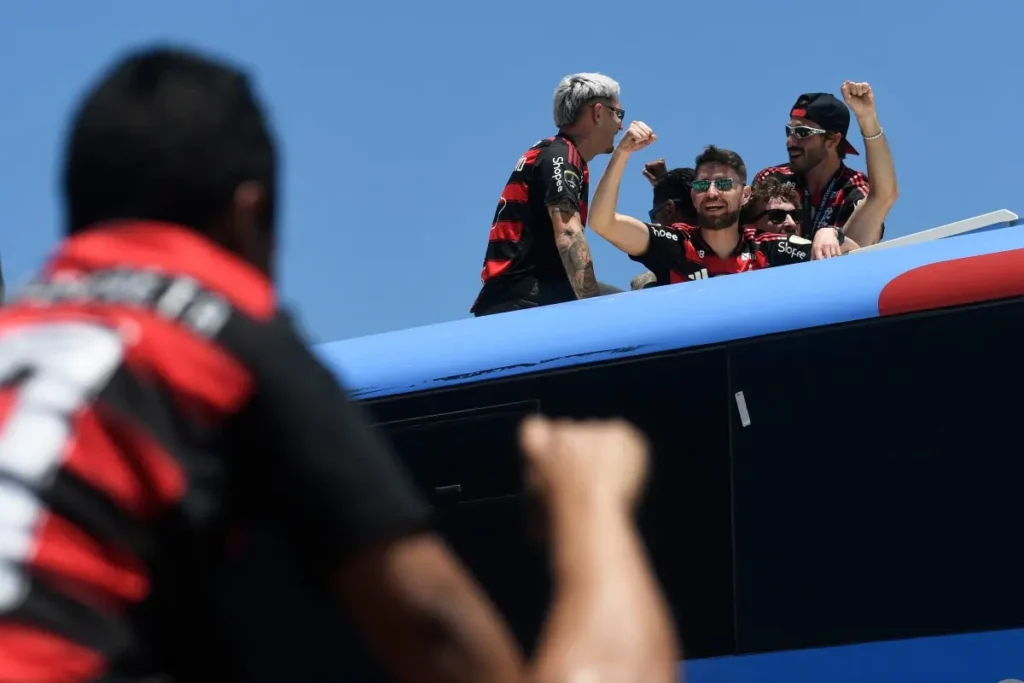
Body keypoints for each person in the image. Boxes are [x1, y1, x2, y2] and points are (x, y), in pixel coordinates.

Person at [0, 47, 679, 683]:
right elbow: (436, 628)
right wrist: (594, 504)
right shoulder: (223, 334)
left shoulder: (18, 326)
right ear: (248, 213)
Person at [589, 123, 856, 287]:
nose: (712, 193)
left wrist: (830, 233)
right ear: (693, 196)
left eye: (724, 184)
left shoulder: (770, 248)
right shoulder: (675, 244)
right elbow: (602, 223)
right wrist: (622, 153)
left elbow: (856, 254)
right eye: (702, 186)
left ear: (745, 195)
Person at [470, 73, 624, 316]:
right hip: (525, 296)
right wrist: (594, 311)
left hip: (513, 294)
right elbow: (569, 234)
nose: (620, 125)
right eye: (618, 114)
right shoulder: (562, 156)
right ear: (597, 113)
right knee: (630, 310)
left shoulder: (552, 152)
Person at [752, 82, 894, 252]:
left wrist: (867, 117)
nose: (790, 142)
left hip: (832, 268)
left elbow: (882, 197)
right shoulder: (772, 178)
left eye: (802, 133)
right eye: (789, 131)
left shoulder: (852, 188)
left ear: (833, 140)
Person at [631, 167, 697, 290]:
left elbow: (606, 223)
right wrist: (669, 183)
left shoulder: (669, 250)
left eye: (654, 216)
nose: (655, 222)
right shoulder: (728, 237)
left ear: (669, 209)